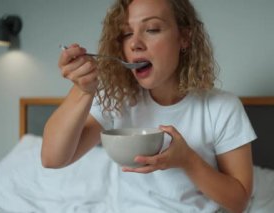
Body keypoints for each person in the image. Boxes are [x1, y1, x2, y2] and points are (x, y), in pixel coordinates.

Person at [42, 0, 256, 212]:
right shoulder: (117, 99)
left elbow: (239, 202)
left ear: (184, 37)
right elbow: (52, 158)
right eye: (126, 33)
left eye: (152, 29)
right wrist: (83, 89)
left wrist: (188, 160)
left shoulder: (221, 108)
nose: (135, 43)